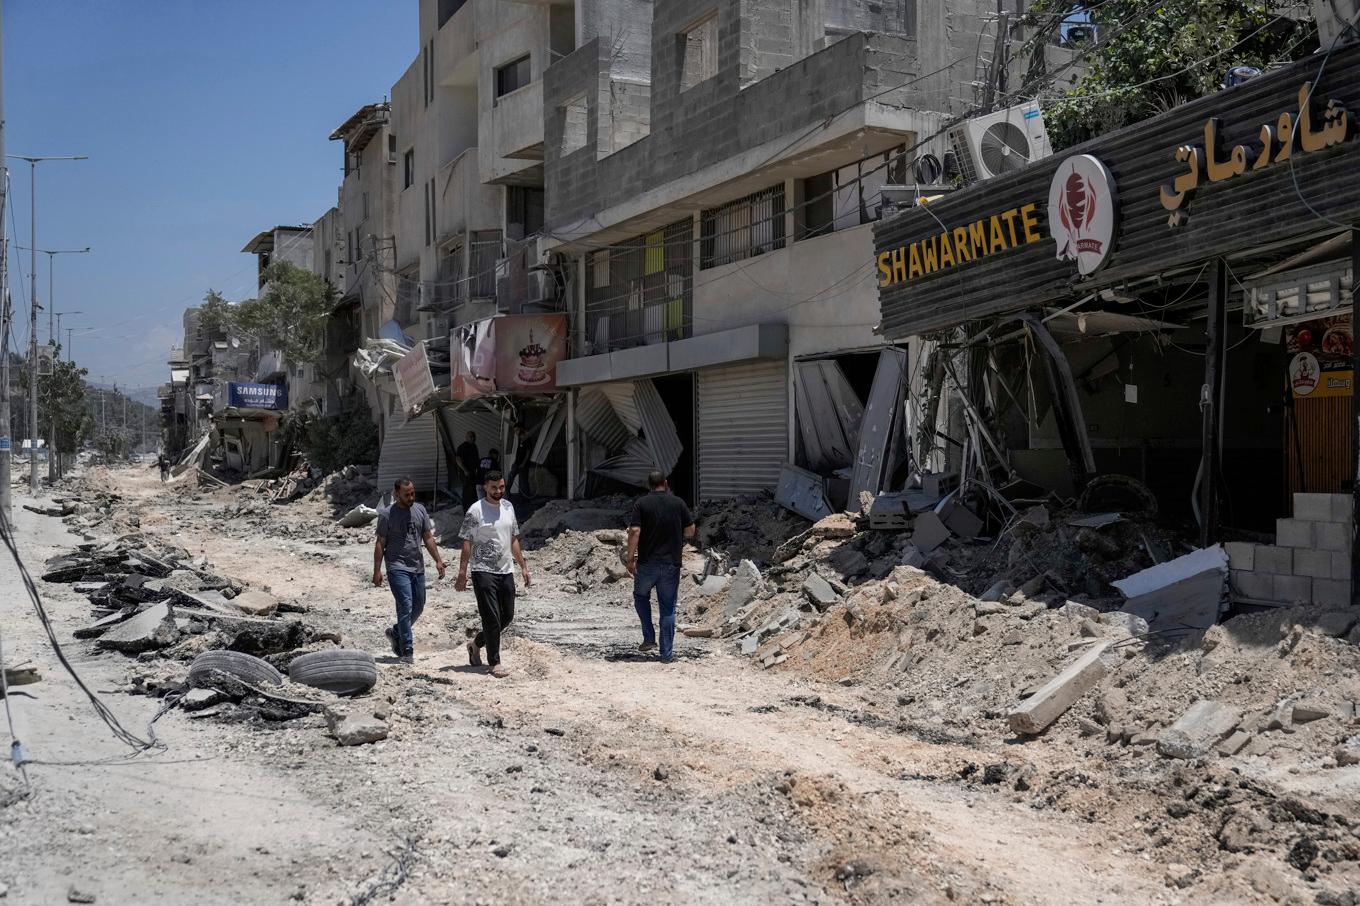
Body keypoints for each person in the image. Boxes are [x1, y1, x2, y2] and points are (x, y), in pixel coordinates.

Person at [455, 470, 531, 678]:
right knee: (491, 618)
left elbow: (513, 539)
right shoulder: (476, 510)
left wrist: (523, 566)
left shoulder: (508, 507)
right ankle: (494, 662)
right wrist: (463, 572)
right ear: (485, 487)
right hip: (482, 570)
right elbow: (467, 542)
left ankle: (476, 643)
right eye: (494, 488)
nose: (498, 491)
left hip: (506, 569)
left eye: (501, 487)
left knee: (506, 616)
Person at [373, 477, 446, 664]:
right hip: (397, 567)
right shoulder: (387, 515)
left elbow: (428, 538)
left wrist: (438, 560)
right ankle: (407, 649)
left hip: (417, 566)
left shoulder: (420, 510)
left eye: (413, 493)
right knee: (405, 605)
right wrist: (377, 571)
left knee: (419, 605)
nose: (411, 497)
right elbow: (380, 543)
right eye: (407, 495)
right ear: (397, 494)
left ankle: (396, 632)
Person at [626, 471, 695, 664]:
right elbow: (690, 531)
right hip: (671, 564)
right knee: (668, 608)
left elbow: (634, 531)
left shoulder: (641, 504)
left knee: (640, 597)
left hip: (647, 563)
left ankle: (649, 638)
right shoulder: (678, 503)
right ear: (665, 483)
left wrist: (630, 559)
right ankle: (666, 655)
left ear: (649, 485)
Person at [506, 424, 533, 498]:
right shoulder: (519, 439)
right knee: (511, 477)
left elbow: (528, 453)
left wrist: (523, 464)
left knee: (524, 481)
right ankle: (506, 493)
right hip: (517, 463)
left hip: (523, 464)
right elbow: (518, 453)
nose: (516, 432)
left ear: (521, 429)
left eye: (517, 430)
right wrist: (515, 462)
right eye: (515, 431)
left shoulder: (527, 439)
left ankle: (526, 497)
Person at [455, 431, 480, 508]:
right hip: (466, 473)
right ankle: (466, 509)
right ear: (466, 437)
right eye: (470, 437)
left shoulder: (474, 446)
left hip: (473, 472)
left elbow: (476, 459)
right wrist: (465, 470)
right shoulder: (462, 447)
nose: (473, 438)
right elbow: (458, 460)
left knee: (473, 491)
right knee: (467, 492)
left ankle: (473, 508)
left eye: (473, 437)